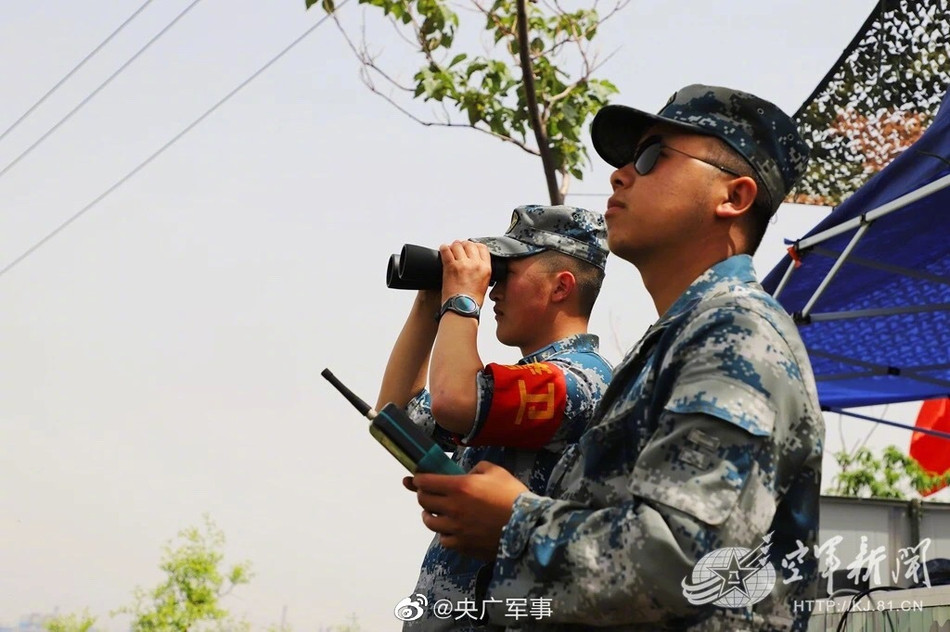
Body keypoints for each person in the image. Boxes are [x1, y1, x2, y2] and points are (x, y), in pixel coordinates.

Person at [408, 85, 825, 631]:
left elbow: (684, 567)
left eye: (651, 157)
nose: (618, 175)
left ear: (735, 197)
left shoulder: (736, 333)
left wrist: (513, 520)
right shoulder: (676, 342)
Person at [377, 205, 614, 630]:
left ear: (561, 287)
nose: (495, 290)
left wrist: (463, 299)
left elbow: (452, 400)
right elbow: (399, 417)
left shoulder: (581, 379)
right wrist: (431, 300)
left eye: (506, 273)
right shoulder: (508, 388)